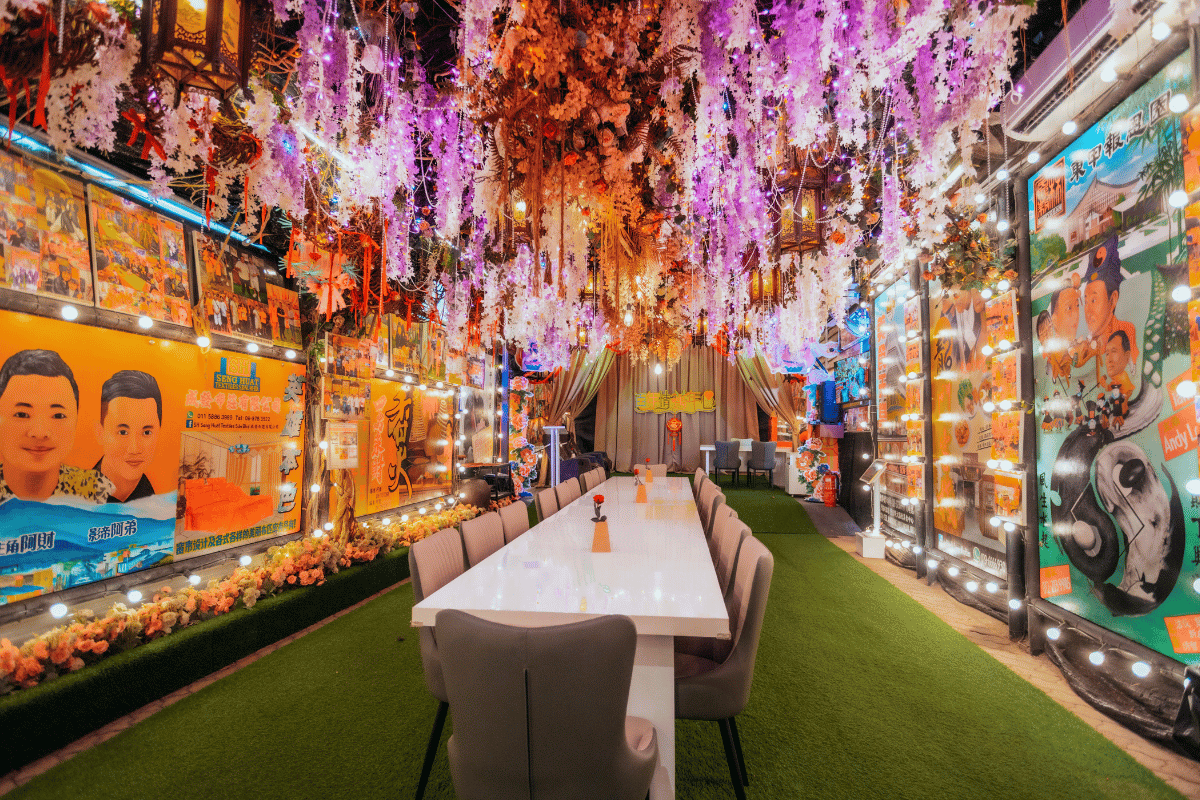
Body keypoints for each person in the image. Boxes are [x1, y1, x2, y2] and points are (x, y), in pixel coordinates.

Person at [0, 349, 113, 503]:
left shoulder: (97, 491)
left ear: (75, 419)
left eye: (58, 415)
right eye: (22, 414)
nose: (40, 432)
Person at [1077, 234, 1137, 391]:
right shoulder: (1086, 345)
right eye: (1086, 301)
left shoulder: (1126, 331)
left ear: (1113, 299)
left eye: (1094, 300)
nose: (1088, 310)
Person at [93, 370, 162, 503]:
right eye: (123, 432)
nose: (134, 449)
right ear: (100, 433)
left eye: (147, 432)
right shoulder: (75, 500)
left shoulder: (152, 501)